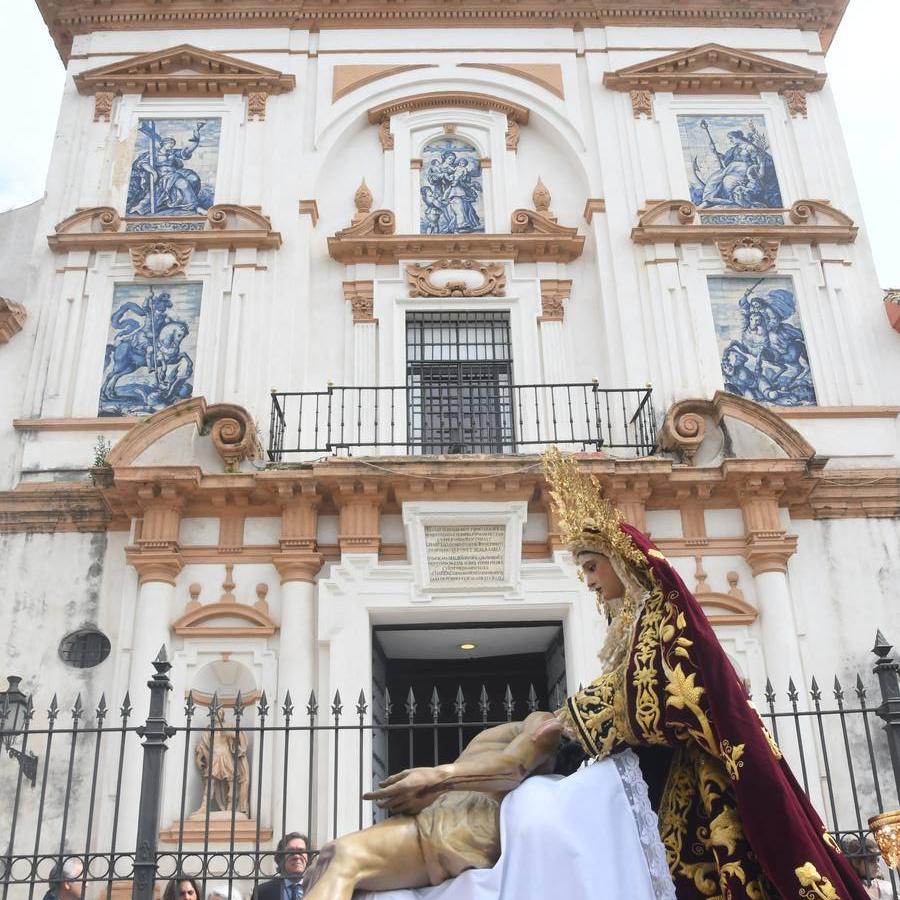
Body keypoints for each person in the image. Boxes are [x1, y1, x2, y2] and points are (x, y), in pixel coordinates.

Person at [542, 446, 869, 899]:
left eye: (592, 567)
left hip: (694, 775)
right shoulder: (632, 623)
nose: (591, 581)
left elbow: (669, 691)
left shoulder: (662, 613)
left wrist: (584, 713)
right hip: (662, 768)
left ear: (620, 561)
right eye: (584, 572)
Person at [303, 712, 673, 900]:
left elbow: (512, 768)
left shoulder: (544, 726)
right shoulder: (517, 729)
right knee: (327, 861)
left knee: (344, 855)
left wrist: (438, 776)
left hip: (459, 831)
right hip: (444, 819)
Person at [252, 832, 309, 900]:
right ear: (281, 858)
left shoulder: (318, 888)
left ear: (308, 857)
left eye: (301, 851)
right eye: (291, 851)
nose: (296, 856)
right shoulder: (262, 891)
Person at [842, 834, 894, 898]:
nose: (877, 865)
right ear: (856, 863)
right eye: (871, 861)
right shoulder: (849, 889)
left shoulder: (887, 887)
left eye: (877, 860)